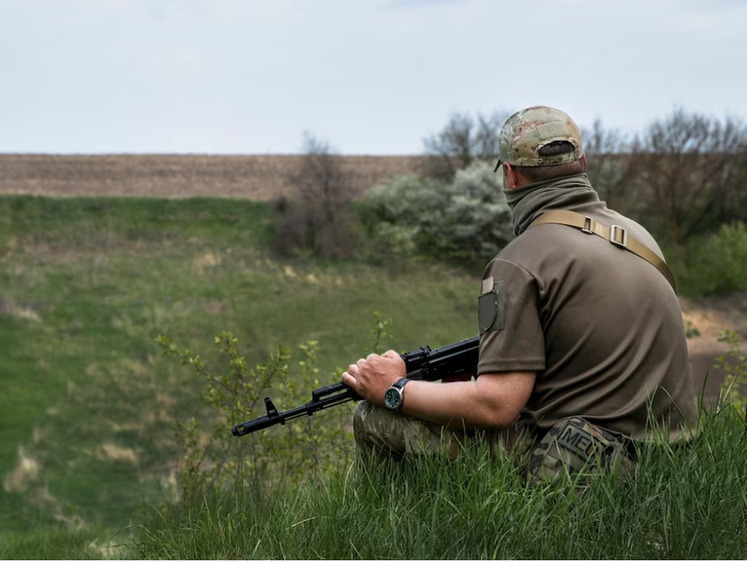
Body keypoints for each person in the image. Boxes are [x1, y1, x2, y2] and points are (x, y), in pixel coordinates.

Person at [341, 106, 699, 483]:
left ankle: (404, 533)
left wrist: (395, 388)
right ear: (583, 162)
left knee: (373, 417)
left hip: (584, 462)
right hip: (671, 456)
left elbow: (498, 405)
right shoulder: (639, 237)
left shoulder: (517, 263)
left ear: (510, 176)